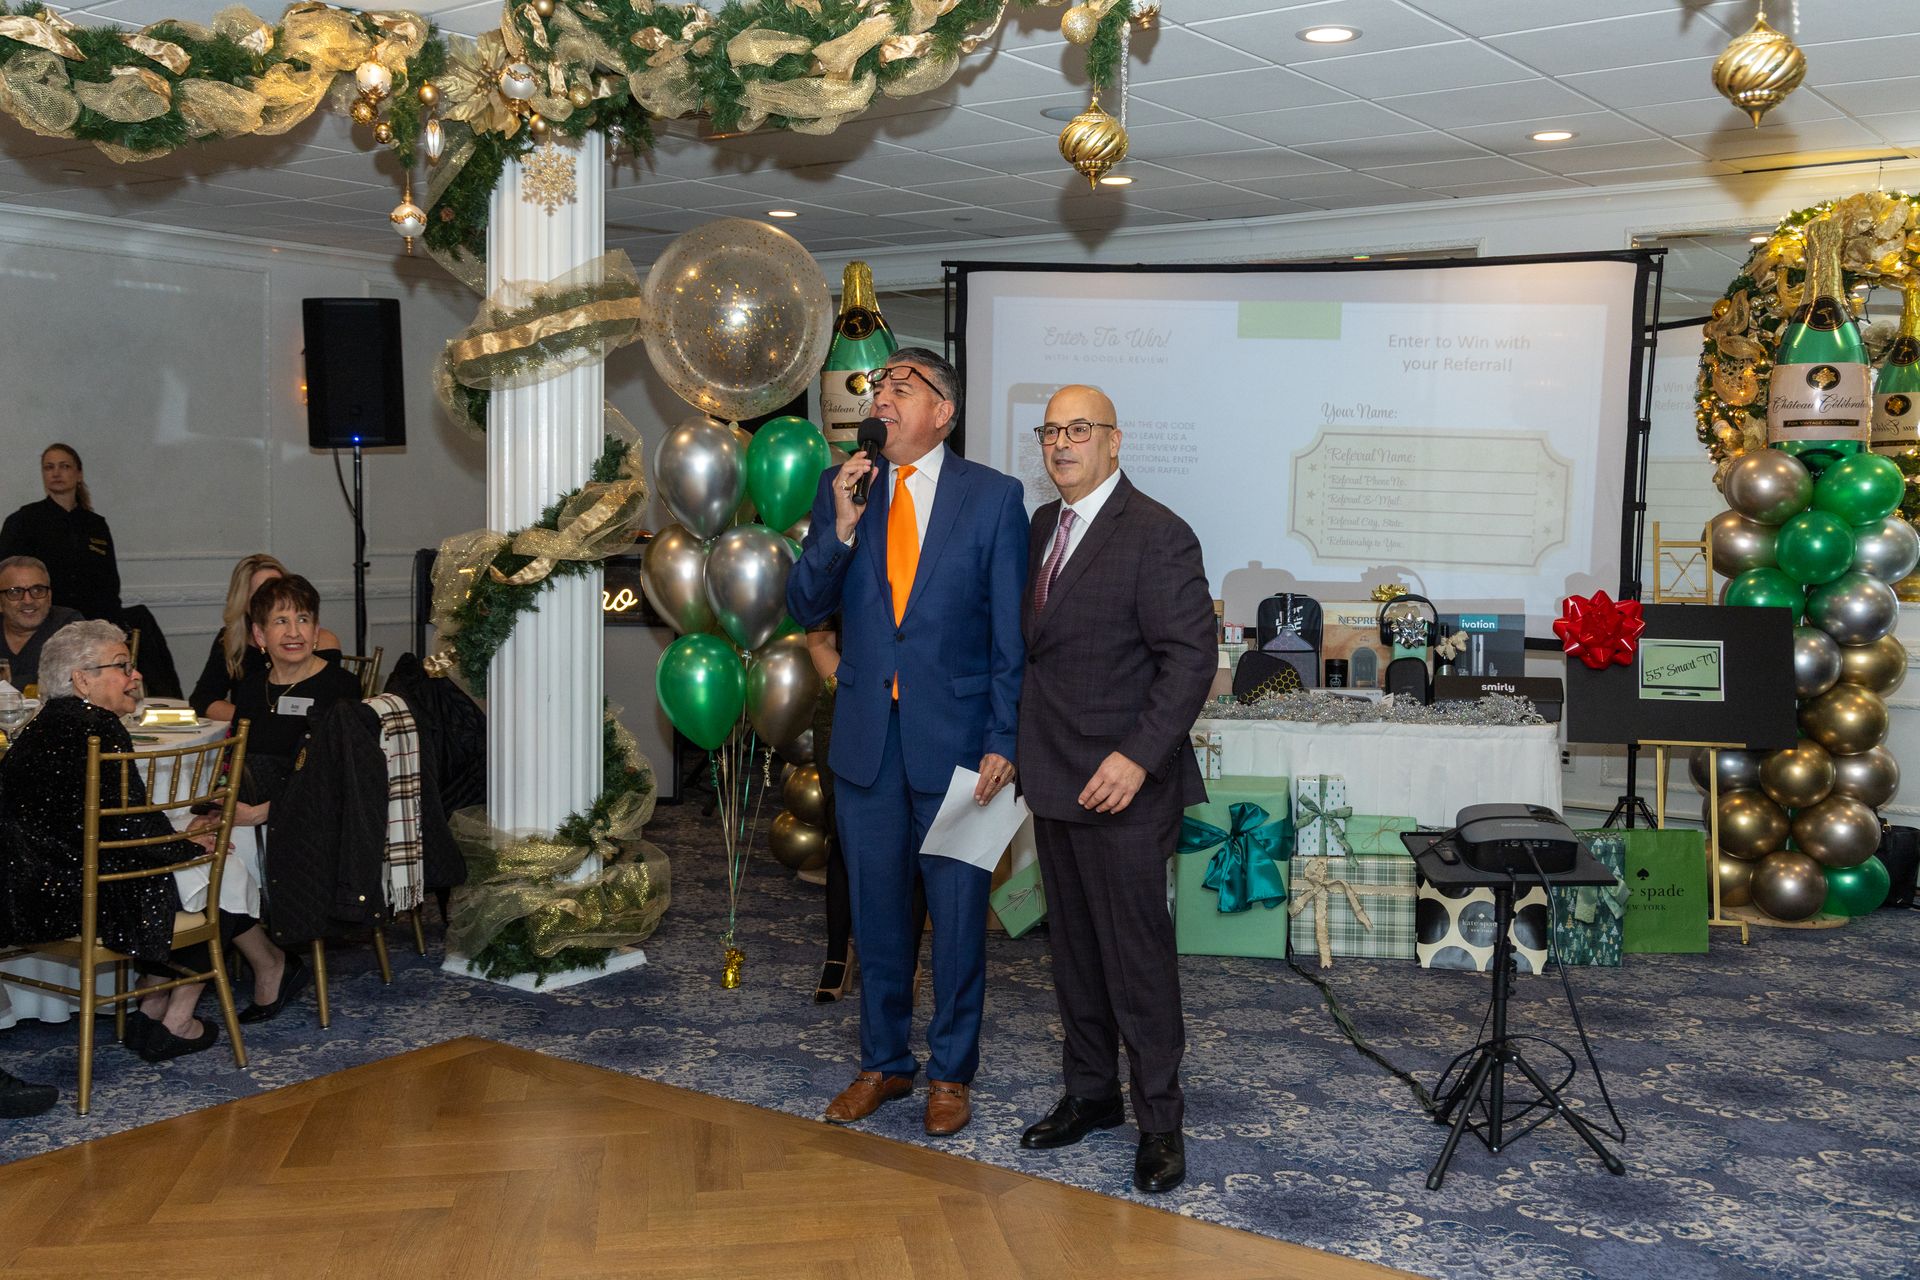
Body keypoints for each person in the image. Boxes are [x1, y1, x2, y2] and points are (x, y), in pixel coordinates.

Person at [787, 347, 1028, 1137]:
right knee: (878, 915)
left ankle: (951, 1072)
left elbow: (1007, 635)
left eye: (901, 386)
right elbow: (805, 603)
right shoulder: (844, 487)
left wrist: (1004, 735)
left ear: (942, 411)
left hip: (959, 744)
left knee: (958, 918)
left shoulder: (992, 498)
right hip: (866, 742)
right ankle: (884, 1063)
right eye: (878, 386)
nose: (882, 397)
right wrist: (841, 531)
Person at [1013, 384, 1216, 1194]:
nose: (1062, 443)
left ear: (1114, 441)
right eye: (1051, 430)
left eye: (1079, 429)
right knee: (1073, 956)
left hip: (1125, 786)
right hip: (1053, 776)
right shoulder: (1041, 528)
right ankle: (1092, 1095)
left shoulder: (1158, 534)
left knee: (1136, 960)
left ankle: (1160, 1122)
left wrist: (1136, 757)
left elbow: (1189, 661)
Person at [0, 621, 245, 1060]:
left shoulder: (41, 726)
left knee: (195, 865)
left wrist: (178, 840)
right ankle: (175, 1019)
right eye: (122, 666)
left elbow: (119, 818)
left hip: (25, 889)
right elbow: (128, 828)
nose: (135, 677)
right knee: (224, 871)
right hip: (77, 896)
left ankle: (150, 1007)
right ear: (81, 680)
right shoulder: (99, 729)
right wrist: (193, 845)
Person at [189, 554, 344, 721]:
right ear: (245, 601)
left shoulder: (320, 641)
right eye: (262, 593)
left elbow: (327, 708)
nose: (272, 599)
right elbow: (203, 700)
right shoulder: (232, 639)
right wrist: (257, 721)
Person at [0, 444, 121, 622]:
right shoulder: (23, 520)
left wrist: (112, 625)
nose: (56, 473)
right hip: (41, 622)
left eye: (64, 466)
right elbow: (7, 577)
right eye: (49, 467)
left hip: (91, 622)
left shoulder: (96, 525)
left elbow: (110, 585)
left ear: (79, 474)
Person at [0, 556, 80, 691]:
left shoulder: (67, 625)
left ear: (49, 597)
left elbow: (68, 679)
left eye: (38, 590)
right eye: (15, 592)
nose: (28, 600)